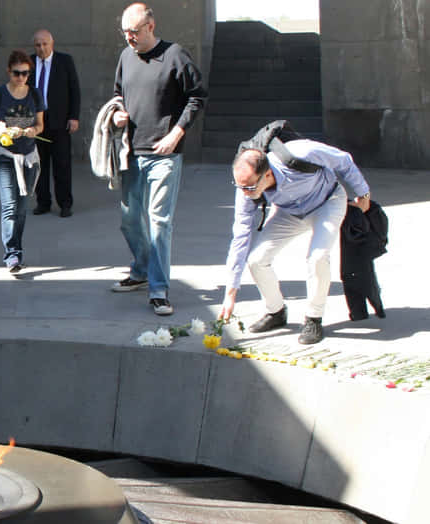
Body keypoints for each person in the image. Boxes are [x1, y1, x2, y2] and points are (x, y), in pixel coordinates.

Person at [219, 143, 372, 344]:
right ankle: (276, 312)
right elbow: (240, 236)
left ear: (267, 175)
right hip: (289, 212)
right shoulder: (246, 191)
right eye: (239, 186)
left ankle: (313, 319)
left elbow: (342, 159)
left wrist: (363, 193)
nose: (245, 193)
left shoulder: (299, 153)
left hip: (327, 202)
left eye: (249, 187)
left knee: (317, 257)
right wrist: (230, 293)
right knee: (256, 259)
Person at [110, 3, 207, 316]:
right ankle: (140, 270)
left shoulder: (175, 55)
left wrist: (176, 134)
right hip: (131, 152)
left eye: (134, 32)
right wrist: (118, 114)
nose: (129, 38)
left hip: (164, 154)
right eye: (125, 32)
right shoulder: (126, 57)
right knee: (129, 219)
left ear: (150, 26)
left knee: (159, 223)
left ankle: (159, 289)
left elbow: (197, 96)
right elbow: (117, 96)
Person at [0, 50, 45, 273]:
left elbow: (40, 125)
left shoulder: (35, 95)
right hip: (3, 155)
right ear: (9, 71)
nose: (21, 77)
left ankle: (16, 249)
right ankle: (12, 254)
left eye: (25, 73)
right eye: (16, 73)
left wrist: (31, 131)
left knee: (21, 207)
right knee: (9, 206)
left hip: (28, 156)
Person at [30, 29, 81, 218]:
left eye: (45, 44)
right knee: (38, 165)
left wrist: (74, 117)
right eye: (38, 45)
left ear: (52, 44)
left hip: (59, 122)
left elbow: (74, 90)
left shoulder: (64, 61)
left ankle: (65, 203)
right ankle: (43, 202)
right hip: (35, 123)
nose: (41, 48)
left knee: (62, 165)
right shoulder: (28, 63)